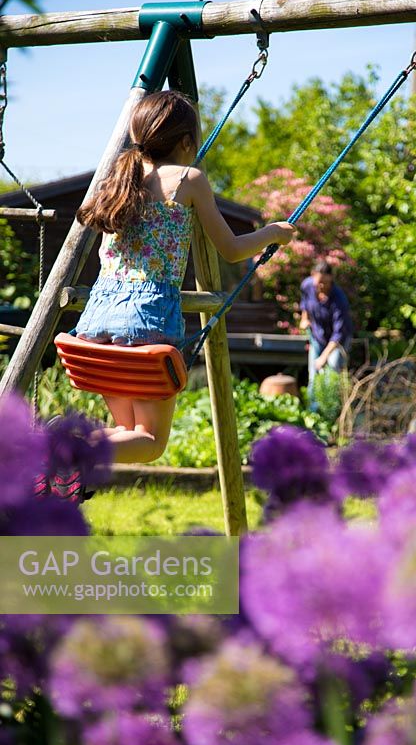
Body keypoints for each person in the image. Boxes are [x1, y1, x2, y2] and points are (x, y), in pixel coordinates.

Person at [74, 90, 296, 466]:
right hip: (146, 321)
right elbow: (230, 247)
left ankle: (65, 449)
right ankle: (62, 452)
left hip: (96, 323)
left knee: (126, 430)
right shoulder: (189, 179)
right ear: (187, 141)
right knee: (150, 443)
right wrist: (273, 232)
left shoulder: (117, 178)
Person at [299, 261, 353, 407]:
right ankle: (313, 412)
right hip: (317, 336)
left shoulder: (339, 299)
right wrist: (304, 318)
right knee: (313, 375)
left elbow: (339, 333)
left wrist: (323, 357)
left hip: (337, 341)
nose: (322, 286)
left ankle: (331, 409)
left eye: (326, 283)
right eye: (319, 282)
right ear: (312, 276)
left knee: (332, 370)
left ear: (331, 280)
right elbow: (305, 303)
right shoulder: (307, 285)